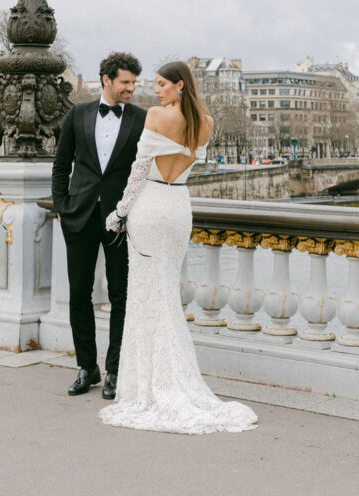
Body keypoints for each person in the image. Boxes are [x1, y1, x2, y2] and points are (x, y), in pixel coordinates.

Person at [99, 61, 258, 434]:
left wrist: (119, 212)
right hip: (179, 207)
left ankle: (151, 383)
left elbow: (139, 170)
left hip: (152, 206)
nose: (155, 91)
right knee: (166, 292)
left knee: (146, 296)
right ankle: (173, 376)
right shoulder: (206, 122)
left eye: (160, 84)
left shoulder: (156, 116)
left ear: (180, 86)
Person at [52, 51, 146, 399]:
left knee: (121, 297)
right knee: (79, 295)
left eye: (134, 82)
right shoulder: (77, 114)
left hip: (121, 221)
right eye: (125, 82)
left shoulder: (142, 118)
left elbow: (145, 172)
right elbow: (61, 165)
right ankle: (86, 368)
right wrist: (62, 207)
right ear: (107, 80)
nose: (131, 88)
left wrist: (131, 213)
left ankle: (115, 371)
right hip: (79, 217)